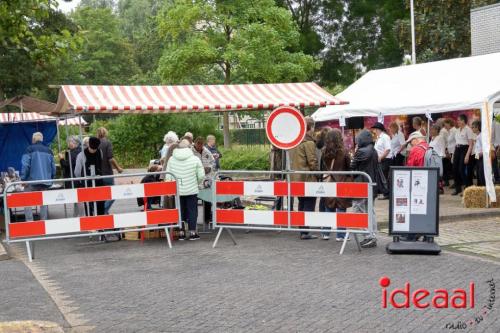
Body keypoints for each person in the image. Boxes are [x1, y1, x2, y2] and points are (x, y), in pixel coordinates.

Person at [166, 139, 205, 241]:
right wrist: (196, 182)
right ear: (189, 147)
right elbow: (201, 175)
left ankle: (181, 233)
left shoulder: (171, 159)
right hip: (192, 189)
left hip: (177, 190)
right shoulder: (195, 159)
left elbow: (168, 176)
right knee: (192, 211)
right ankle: (192, 232)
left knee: (180, 211)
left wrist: (169, 189)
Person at [350, 129, 382, 248]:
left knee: (358, 209)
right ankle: (372, 235)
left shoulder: (361, 151)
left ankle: (367, 234)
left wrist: (355, 153)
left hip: (361, 185)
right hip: (372, 184)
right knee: (370, 210)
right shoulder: (373, 150)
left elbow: (352, 167)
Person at [290, 116, 318, 240]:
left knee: (301, 203)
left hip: (296, 178)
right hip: (308, 178)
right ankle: (306, 231)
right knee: (309, 204)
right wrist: (318, 173)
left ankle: (302, 229)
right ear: (311, 127)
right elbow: (312, 161)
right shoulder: (309, 142)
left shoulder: (294, 141)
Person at [322, 129, 351, 241]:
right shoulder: (344, 151)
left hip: (328, 181)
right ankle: (341, 235)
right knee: (341, 209)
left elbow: (322, 167)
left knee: (328, 207)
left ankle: (325, 233)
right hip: (341, 181)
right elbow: (349, 167)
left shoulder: (324, 151)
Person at [21, 132, 56, 221]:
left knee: (27, 202)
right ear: (42, 139)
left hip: (31, 182)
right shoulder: (49, 150)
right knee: (43, 202)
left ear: (33, 139)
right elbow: (53, 167)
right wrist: (51, 178)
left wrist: (23, 179)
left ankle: (30, 222)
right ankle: (43, 221)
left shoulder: (29, 149)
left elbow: (25, 165)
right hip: (45, 181)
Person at [74, 137, 106, 217]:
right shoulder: (81, 155)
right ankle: (92, 222)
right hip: (87, 183)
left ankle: (100, 223)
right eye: (92, 149)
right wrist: (82, 181)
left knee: (100, 204)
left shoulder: (100, 152)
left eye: (94, 149)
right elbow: (77, 172)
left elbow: (77, 172)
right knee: (89, 205)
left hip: (97, 182)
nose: (93, 151)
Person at [97, 127, 123, 214]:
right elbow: (110, 158)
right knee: (113, 193)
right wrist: (118, 168)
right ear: (105, 133)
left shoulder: (95, 144)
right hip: (107, 173)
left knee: (103, 195)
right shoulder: (107, 143)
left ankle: (104, 214)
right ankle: (103, 210)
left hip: (98, 174)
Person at [452, 114, 474, 195]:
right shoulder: (457, 130)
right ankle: (458, 188)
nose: (457, 121)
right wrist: (453, 155)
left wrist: (467, 155)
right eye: (457, 120)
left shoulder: (468, 129)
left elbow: (471, 144)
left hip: (464, 149)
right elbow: (456, 142)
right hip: (457, 149)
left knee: (461, 169)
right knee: (454, 169)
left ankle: (467, 188)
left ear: (463, 121)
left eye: (459, 120)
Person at [371, 122, 391, 199]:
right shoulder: (379, 138)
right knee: (380, 177)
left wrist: (380, 158)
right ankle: (384, 192)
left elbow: (388, 149)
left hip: (385, 160)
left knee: (384, 177)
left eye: (375, 129)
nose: (374, 131)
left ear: (378, 129)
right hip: (380, 159)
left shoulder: (385, 137)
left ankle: (386, 193)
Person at [443, 118, 457, 187]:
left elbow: (456, 142)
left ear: (449, 124)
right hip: (451, 151)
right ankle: (455, 182)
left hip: (454, 151)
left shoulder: (454, 131)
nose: (445, 126)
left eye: (446, 124)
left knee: (454, 168)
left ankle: (456, 182)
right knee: (452, 168)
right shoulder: (450, 131)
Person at [472, 120, 485, 186]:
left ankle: (484, 190)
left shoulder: (481, 135)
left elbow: (484, 147)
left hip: (481, 157)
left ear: (478, 127)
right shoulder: (477, 136)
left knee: (481, 174)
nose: (472, 129)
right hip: (478, 157)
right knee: (478, 174)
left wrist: (480, 155)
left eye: (473, 127)